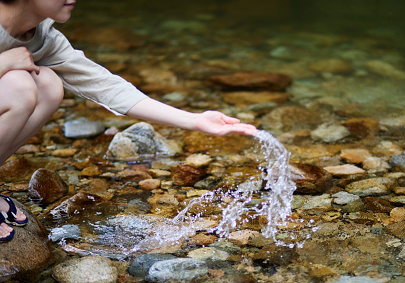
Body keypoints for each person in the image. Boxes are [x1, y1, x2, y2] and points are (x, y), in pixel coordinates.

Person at [0, 0, 258, 241]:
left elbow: (107, 87)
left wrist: (195, 121)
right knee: (21, 85)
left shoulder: (43, 38)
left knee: (49, 85)